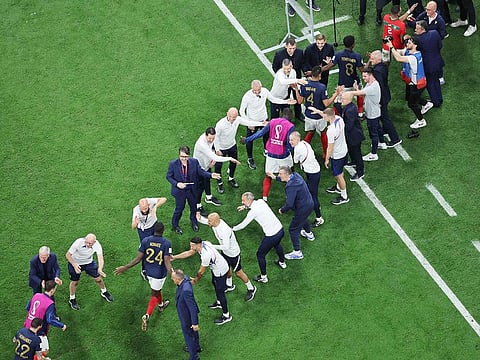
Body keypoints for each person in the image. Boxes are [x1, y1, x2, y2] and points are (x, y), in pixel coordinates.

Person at [114, 222, 173, 331]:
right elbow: (167, 261)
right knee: (154, 294)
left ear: (153, 230)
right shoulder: (166, 243)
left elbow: (138, 259)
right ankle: (147, 315)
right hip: (159, 274)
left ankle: (161, 306)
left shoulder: (146, 240)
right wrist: (172, 273)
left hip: (148, 272)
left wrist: (125, 267)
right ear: (163, 231)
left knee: (156, 290)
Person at [172, 237, 232, 325]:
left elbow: (201, 271)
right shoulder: (205, 243)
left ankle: (226, 315)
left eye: (192, 245)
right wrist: (174, 257)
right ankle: (219, 302)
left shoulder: (205, 255)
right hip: (218, 267)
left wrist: (195, 279)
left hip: (220, 271)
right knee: (214, 283)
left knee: (220, 292)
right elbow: (189, 253)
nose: (191, 247)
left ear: (198, 245)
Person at [197, 212, 257, 301]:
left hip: (233, 254)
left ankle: (251, 288)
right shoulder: (215, 224)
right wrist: (199, 217)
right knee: (227, 268)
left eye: (210, 221)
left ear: (215, 221)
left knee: (239, 273)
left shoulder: (224, 230)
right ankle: (229, 285)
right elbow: (206, 221)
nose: (208, 222)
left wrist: (212, 246)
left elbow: (226, 246)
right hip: (225, 252)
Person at [239, 80, 296, 170]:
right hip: (252, 122)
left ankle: (266, 151)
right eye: (255, 91)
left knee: (266, 136)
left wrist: (286, 102)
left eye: (259, 90)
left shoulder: (265, 91)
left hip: (264, 120)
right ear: (252, 88)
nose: (258, 92)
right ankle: (250, 158)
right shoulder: (247, 96)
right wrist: (248, 123)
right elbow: (241, 110)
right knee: (250, 140)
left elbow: (273, 99)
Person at [242, 108, 295, 202]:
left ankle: (264, 198)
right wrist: (292, 153)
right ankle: (290, 195)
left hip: (270, 153)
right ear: (291, 116)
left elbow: (260, 133)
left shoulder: (272, 121)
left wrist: (247, 139)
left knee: (268, 175)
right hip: (283, 155)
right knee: (291, 173)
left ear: (281, 114)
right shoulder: (290, 126)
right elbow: (289, 142)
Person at [232, 192, 286, 283]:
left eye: (243, 200)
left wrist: (232, 229)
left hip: (271, 235)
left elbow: (243, 225)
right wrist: (245, 207)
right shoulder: (261, 201)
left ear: (249, 200)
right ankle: (282, 262)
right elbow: (252, 206)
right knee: (277, 244)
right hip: (280, 230)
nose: (242, 202)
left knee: (260, 255)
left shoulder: (253, 212)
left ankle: (263, 277)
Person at [166, 145, 221, 235]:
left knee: (193, 208)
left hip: (192, 190)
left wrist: (210, 175)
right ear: (179, 155)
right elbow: (169, 176)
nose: (184, 159)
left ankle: (194, 222)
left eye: (186, 157)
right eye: (182, 157)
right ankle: (175, 225)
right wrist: (177, 184)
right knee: (179, 209)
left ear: (189, 155)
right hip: (180, 192)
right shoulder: (173, 164)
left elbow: (201, 172)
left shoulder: (194, 162)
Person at [294, 65, 342, 159]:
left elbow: (299, 101)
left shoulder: (305, 85)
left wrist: (296, 89)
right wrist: (336, 94)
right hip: (319, 116)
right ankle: (325, 154)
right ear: (319, 75)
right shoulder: (321, 87)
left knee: (310, 132)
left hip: (308, 115)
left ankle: (303, 152)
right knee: (324, 132)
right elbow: (326, 103)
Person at [267, 166, 314, 260]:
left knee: (293, 229)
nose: (279, 175)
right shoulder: (296, 175)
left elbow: (289, 203)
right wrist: (275, 177)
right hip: (309, 204)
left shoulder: (290, 186)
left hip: (302, 208)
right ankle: (309, 234)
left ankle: (297, 252)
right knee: (303, 219)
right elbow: (285, 179)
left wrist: (282, 210)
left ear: (286, 174)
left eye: (280, 174)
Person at [214, 107, 263, 194]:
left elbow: (248, 122)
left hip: (232, 145)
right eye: (232, 117)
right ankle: (219, 182)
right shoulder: (220, 124)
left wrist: (261, 123)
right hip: (221, 148)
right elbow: (216, 137)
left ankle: (231, 178)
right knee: (218, 166)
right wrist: (217, 149)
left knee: (234, 162)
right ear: (227, 114)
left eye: (235, 117)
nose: (233, 119)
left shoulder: (237, 119)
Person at [386, 35, 429, 134]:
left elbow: (398, 58)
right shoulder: (410, 52)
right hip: (416, 82)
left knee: (411, 103)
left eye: (410, 43)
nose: (407, 44)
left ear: (415, 45)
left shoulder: (414, 58)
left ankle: (421, 120)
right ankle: (426, 104)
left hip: (417, 84)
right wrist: (391, 44)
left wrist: (391, 47)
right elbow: (398, 53)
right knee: (412, 97)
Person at [193, 127, 241, 210]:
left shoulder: (211, 139)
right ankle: (198, 206)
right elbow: (215, 157)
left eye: (213, 138)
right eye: (210, 138)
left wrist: (213, 159)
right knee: (200, 187)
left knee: (207, 180)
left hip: (207, 164)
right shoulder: (202, 144)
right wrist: (229, 158)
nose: (211, 140)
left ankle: (209, 197)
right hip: (199, 168)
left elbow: (213, 149)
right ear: (205, 135)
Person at [66, 233, 113, 310]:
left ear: (94, 242)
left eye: (90, 243)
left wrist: (100, 268)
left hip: (89, 263)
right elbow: (68, 255)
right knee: (75, 282)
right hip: (75, 263)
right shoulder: (78, 242)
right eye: (86, 242)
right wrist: (74, 265)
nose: (87, 244)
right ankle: (72, 299)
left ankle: (104, 292)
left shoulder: (97, 245)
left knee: (98, 279)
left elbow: (100, 258)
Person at [289, 131, 325, 227]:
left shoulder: (297, 149)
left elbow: (295, 161)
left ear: (297, 139)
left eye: (292, 140)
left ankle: (319, 218)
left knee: (312, 196)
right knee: (310, 192)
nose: (290, 142)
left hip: (312, 172)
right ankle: (315, 207)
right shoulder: (305, 143)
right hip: (314, 170)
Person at [367, 50, 402, 148]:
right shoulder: (382, 66)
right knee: (383, 116)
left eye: (373, 59)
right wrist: (371, 60)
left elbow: (379, 86)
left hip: (382, 97)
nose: (371, 60)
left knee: (385, 118)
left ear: (379, 59)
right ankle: (386, 130)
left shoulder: (377, 71)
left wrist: (378, 100)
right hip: (385, 95)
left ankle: (395, 139)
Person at [349, 67, 384, 162]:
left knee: (373, 133)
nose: (363, 78)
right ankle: (382, 143)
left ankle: (373, 154)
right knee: (378, 128)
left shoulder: (373, 86)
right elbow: (362, 94)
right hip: (373, 111)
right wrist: (356, 89)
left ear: (370, 74)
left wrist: (349, 93)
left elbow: (361, 93)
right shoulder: (370, 83)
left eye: (365, 76)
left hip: (372, 113)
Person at [24, 281, 67, 358]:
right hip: (39, 331)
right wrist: (62, 325)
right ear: (52, 290)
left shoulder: (36, 295)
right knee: (44, 351)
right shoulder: (50, 303)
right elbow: (49, 320)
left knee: (31, 349)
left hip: (27, 326)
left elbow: (27, 307)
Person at [324, 36, 365, 118]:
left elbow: (330, 65)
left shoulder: (338, 54)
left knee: (337, 100)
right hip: (354, 81)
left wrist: (318, 70)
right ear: (353, 44)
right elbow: (362, 70)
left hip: (343, 83)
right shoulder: (357, 56)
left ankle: (336, 115)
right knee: (359, 94)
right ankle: (360, 112)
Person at [319, 108, 349, 204]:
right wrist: (317, 110)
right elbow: (328, 114)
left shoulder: (331, 131)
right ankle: (338, 187)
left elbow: (330, 148)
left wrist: (327, 159)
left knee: (338, 175)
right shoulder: (339, 119)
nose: (323, 117)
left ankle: (344, 196)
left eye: (324, 116)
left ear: (328, 117)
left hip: (337, 155)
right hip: (344, 150)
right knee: (340, 171)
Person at [334, 92, 365, 181]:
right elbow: (342, 113)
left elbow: (349, 125)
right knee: (351, 150)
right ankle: (353, 161)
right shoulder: (348, 107)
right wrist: (336, 103)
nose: (341, 100)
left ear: (348, 100)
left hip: (354, 136)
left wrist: (340, 130)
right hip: (351, 135)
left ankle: (360, 172)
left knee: (357, 153)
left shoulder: (350, 110)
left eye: (343, 99)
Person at [272, 37, 305, 120]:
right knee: (284, 96)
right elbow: (275, 67)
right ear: (286, 46)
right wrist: (282, 75)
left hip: (294, 78)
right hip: (285, 82)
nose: (292, 50)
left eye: (294, 48)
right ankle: (282, 114)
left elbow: (302, 64)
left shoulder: (300, 53)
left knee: (296, 95)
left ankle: (298, 114)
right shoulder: (279, 55)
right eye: (290, 48)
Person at [171, 269, 201, 360]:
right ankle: (197, 347)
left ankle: (194, 357)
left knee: (188, 336)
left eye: (173, 278)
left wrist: (195, 323)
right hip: (187, 313)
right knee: (193, 333)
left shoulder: (185, 290)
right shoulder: (185, 280)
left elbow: (191, 307)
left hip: (187, 316)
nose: (172, 280)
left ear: (177, 279)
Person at [414, 20, 444, 109]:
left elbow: (417, 51)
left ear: (422, 29)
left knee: (430, 83)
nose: (415, 30)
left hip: (428, 66)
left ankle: (436, 102)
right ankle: (439, 98)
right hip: (438, 62)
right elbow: (440, 46)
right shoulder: (434, 33)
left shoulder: (418, 40)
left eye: (417, 28)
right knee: (436, 81)